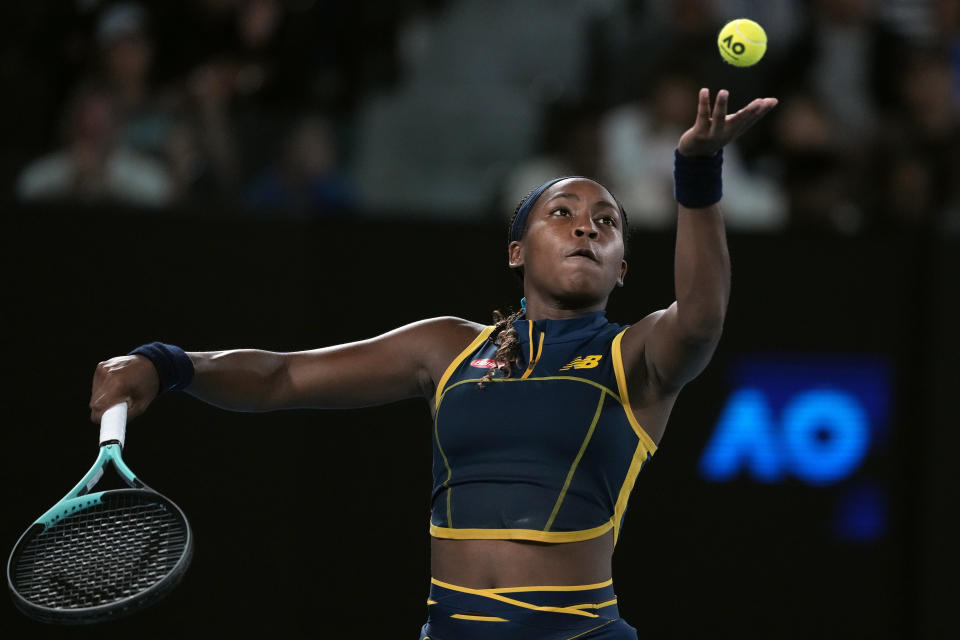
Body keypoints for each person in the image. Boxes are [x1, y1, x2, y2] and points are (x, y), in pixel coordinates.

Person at [89, 88, 777, 639]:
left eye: (606, 223)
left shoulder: (637, 356)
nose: (585, 227)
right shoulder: (448, 348)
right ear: (517, 251)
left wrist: (697, 173)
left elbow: (703, 315)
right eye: (562, 212)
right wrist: (168, 363)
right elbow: (284, 375)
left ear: (622, 266)